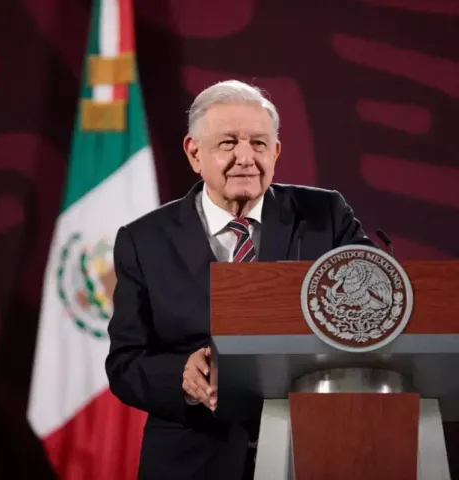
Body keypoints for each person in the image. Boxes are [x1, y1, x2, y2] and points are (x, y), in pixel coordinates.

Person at [105, 80, 374, 479]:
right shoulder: (144, 240)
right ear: (194, 153)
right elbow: (125, 363)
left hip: (313, 452)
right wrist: (180, 375)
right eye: (228, 143)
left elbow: (381, 302)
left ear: (277, 152)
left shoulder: (325, 216)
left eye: (259, 144)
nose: (246, 157)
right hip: (193, 459)